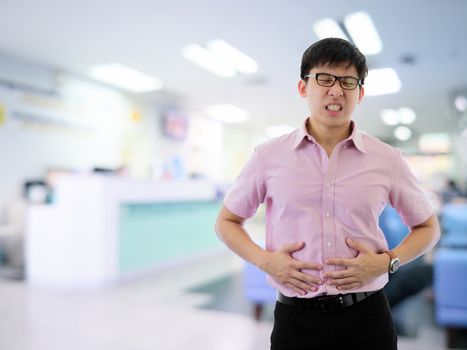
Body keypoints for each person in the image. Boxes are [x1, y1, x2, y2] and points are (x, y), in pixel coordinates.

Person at [215, 38, 440, 350]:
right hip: (295, 321)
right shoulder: (268, 156)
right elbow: (226, 221)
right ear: (304, 87)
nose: (336, 91)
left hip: (368, 317)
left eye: (348, 81)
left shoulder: (388, 159)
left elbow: (428, 227)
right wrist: (265, 261)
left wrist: (387, 262)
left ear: (360, 93)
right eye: (324, 78)